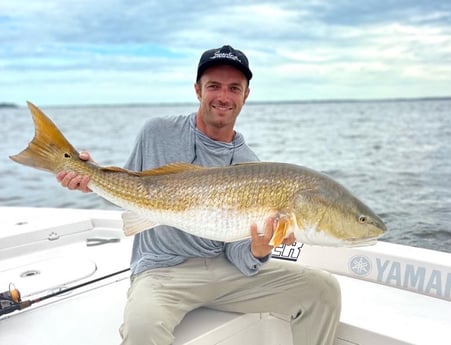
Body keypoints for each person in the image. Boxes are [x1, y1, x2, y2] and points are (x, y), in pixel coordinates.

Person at [57, 45, 341, 345]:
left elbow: (236, 251)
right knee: (143, 328)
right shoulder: (157, 132)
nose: (223, 96)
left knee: (323, 290)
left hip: (225, 271)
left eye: (234, 88)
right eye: (214, 86)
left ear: (246, 95)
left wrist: (259, 249)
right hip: (162, 271)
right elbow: (130, 188)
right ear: (197, 90)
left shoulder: (250, 165)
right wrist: (89, 176)